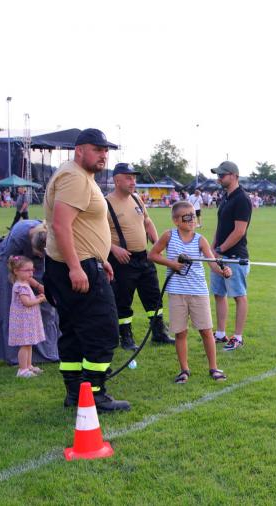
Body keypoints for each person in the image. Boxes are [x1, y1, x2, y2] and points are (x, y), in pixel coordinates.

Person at [42, 128, 130, 412]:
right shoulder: (75, 177)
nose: (103, 155)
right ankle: (94, 393)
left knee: (74, 330)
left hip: (79, 263)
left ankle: (74, 392)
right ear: (79, 150)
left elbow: (79, 227)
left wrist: (100, 258)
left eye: (106, 150)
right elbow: (61, 225)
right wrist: (76, 267)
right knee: (103, 329)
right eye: (97, 149)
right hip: (77, 267)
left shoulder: (78, 175)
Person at [150, 201, 232, 383]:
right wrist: (172, 264)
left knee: (206, 331)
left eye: (194, 216)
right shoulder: (169, 236)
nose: (192, 220)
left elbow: (212, 263)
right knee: (180, 333)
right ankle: (184, 370)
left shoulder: (200, 239)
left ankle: (213, 368)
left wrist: (223, 270)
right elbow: (152, 254)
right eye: (187, 217)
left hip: (198, 292)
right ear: (176, 220)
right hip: (177, 293)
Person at [106, 162, 173, 351]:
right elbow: (95, 233)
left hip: (144, 258)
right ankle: (126, 337)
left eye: (134, 178)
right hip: (122, 260)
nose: (133, 181)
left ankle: (159, 333)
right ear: (117, 180)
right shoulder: (105, 203)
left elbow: (147, 221)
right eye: (128, 178)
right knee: (123, 299)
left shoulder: (136, 199)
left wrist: (157, 242)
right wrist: (113, 248)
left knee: (153, 296)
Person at [0, 220, 60, 365]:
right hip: (10, 262)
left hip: (28, 262)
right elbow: (18, 274)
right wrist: (37, 286)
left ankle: (48, 351)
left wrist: (45, 287)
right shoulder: (18, 238)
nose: (41, 258)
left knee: (47, 308)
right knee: (11, 307)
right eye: (38, 254)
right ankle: (15, 355)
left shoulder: (50, 236)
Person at [209, 161, 253, 351]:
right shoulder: (226, 197)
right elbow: (221, 227)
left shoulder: (242, 199)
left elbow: (239, 231)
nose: (219, 179)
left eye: (222, 175)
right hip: (220, 254)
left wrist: (220, 249)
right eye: (218, 175)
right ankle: (220, 334)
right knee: (219, 294)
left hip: (235, 256)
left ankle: (238, 337)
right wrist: (212, 248)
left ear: (234, 175)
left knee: (238, 296)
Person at [7, 255, 48, 378]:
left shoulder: (24, 283)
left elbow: (29, 300)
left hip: (28, 319)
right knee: (25, 345)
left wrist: (36, 297)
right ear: (16, 271)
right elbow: (27, 303)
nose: (31, 273)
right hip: (23, 321)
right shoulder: (21, 286)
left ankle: (28, 366)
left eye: (32, 270)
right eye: (27, 270)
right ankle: (22, 370)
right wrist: (40, 299)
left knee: (29, 343)